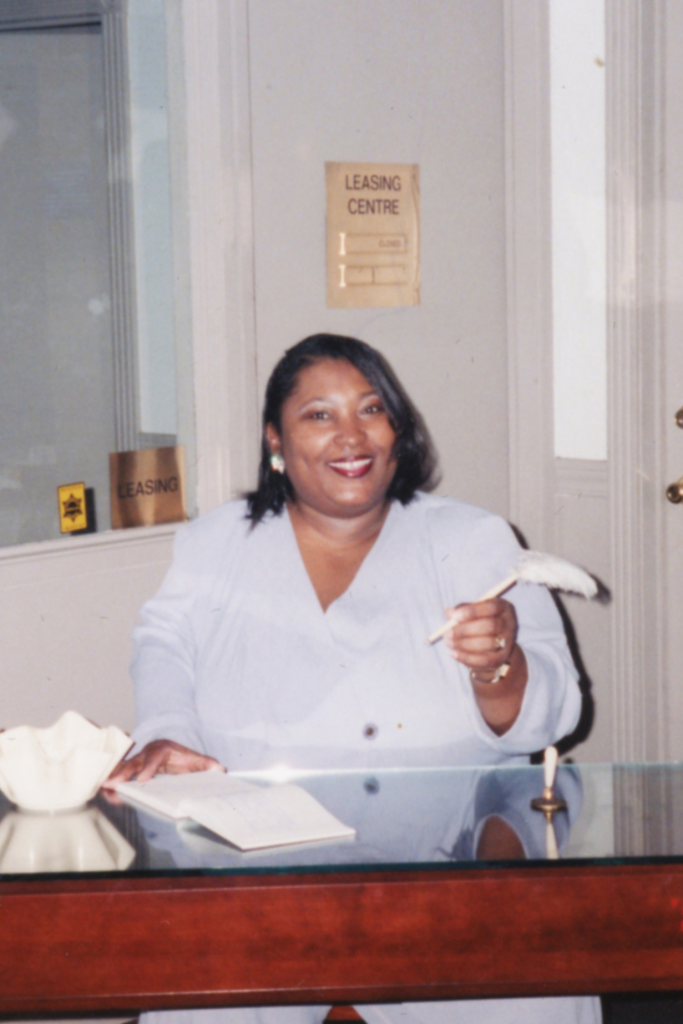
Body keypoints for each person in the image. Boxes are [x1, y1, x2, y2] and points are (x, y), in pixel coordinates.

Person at [106, 334, 600, 1024]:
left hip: (445, 861)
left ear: (397, 429)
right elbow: (163, 643)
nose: (350, 436)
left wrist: (497, 666)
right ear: (275, 440)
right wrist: (166, 732)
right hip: (257, 867)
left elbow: (556, 713)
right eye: (319, 415)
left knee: (523, 981)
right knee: (202, 994)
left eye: (370, 409)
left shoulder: (471, 539)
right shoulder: (214, 543)